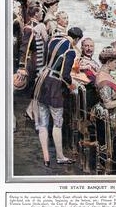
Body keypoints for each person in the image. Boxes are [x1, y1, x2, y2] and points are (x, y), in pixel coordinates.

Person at [33, 27, 83, 166]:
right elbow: (65, 75)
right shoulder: (71, 50)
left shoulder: (53, 40)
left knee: (43, 122)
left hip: (43, 80)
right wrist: (72, 85)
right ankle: (60, 156)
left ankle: (46, 157)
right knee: (57, 123)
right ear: (77, 39)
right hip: (54, 86)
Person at [95, 47, 116, 112]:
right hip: (109, 115)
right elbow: (108, 105)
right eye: (115, 62)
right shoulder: (103, 79)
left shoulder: (106, 74)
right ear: (108, 62)